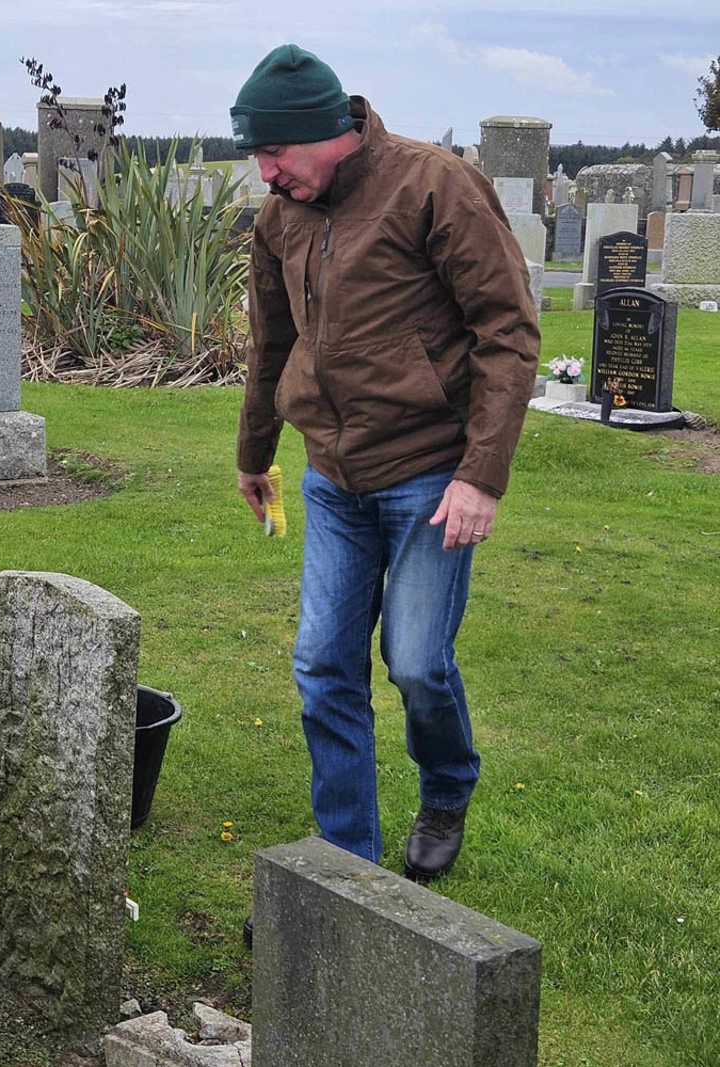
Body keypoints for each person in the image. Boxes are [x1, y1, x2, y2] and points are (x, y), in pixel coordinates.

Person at [232, 45, 539, 937]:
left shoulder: (433, 186)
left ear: (325, 134)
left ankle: (446, 786)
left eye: (274, 152)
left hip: (429, 477)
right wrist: (256, 455)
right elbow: (268, 346)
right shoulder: (281, 218)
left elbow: (509, 332)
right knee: (324, 666)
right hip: (332, 476)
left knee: (414, 661)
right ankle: (346, 869)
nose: (266, 171)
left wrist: (481, 475)